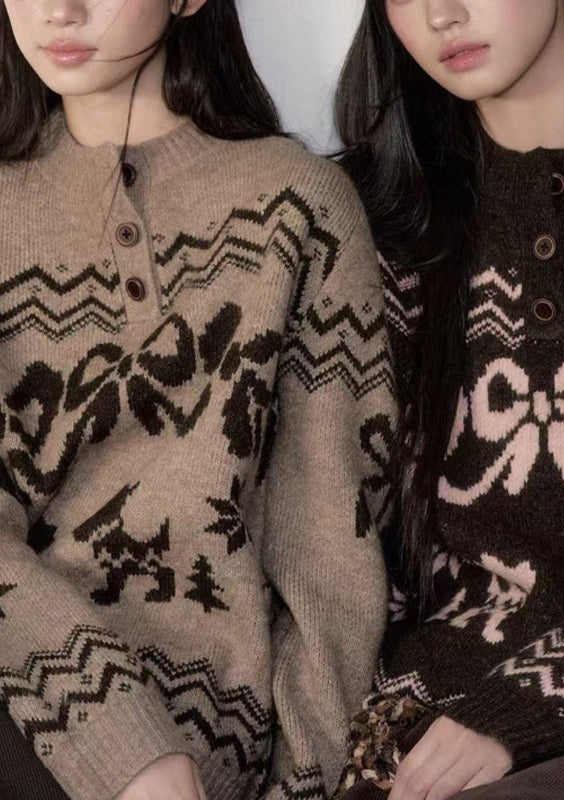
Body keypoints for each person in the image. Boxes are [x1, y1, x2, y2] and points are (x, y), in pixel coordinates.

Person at [0, 1, 397, 799]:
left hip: (213, 726)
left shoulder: (301, 205)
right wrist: (122, 739)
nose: (58, 10)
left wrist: (308, 782)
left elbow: (332, 558)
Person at [335, 1, 564, 799]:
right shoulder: (369, 221)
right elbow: (329, 538)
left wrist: (532, 704)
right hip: (412, 724)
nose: (441, 14)